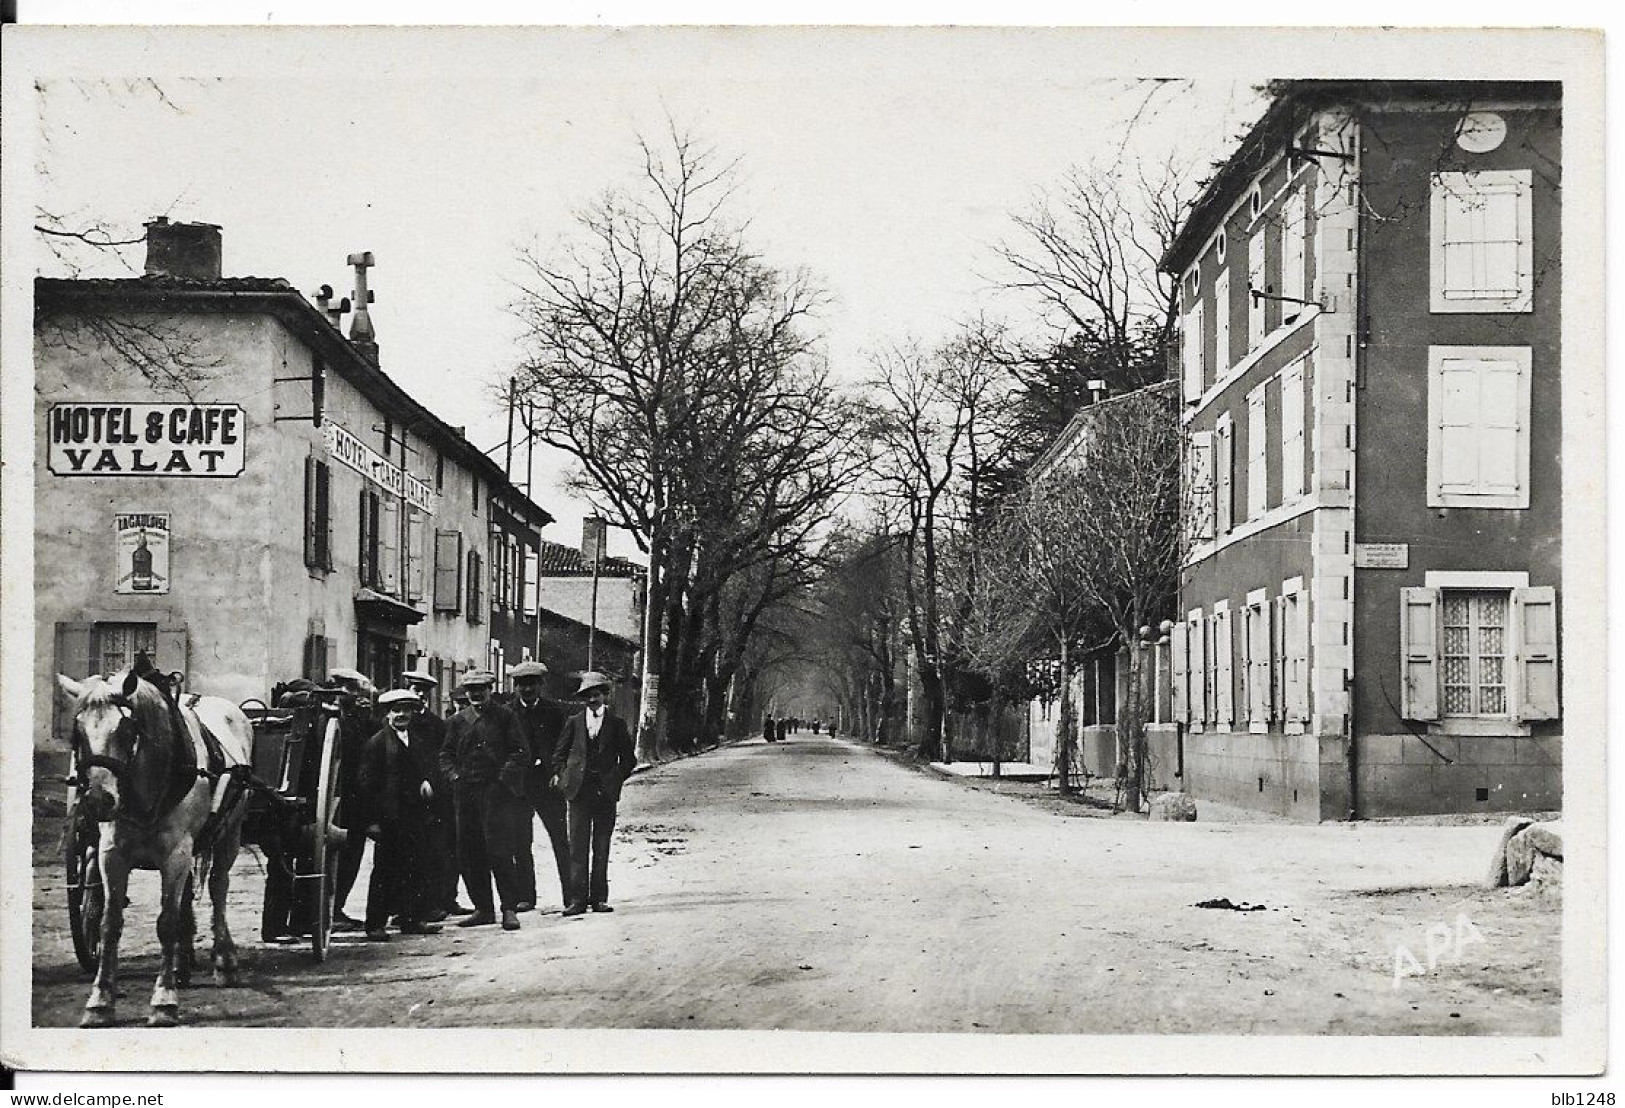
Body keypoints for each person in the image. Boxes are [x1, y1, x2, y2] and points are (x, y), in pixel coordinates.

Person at [438, 671, 530, 932]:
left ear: (491, 688)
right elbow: (445, 754)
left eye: (481, 688)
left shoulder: (505, 716)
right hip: (465, 795)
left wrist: (502, 779)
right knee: (469, 852)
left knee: (499, 850)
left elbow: (520, 751)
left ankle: (509, 909)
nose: (476, 694)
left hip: (495, 794)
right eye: (471, 689)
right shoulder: (458, 721)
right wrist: (455, 776)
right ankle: (483, 908)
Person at [357, 690, 444, 941]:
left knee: (416, 867)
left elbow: (429, 767)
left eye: (407, 710)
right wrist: (372, 821)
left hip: (416, 816)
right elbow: (366, 785)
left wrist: (428, 782)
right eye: (397, 710)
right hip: (389, 818)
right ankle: (375, 924)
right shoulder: (377, 743)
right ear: (387, 713)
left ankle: (412, 919)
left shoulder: (418, 739)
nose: (402, 715)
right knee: (385, 871)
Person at [551, 672, 637, 916]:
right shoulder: (574, 722)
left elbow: (629, 759)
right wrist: (564, 777)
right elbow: (558, 754)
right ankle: (577, 900)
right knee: (578, 847)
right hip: (578, 793)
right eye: (587, 695)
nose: (592, 699)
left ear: (605, 695)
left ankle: (599, 899)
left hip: (605, 794)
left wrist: (615, 778)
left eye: (596, 694)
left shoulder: (617, 724)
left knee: (601, 846)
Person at [400, 665, 472, 920]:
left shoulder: (435, 724)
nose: (418, 695)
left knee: (443, 849)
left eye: (423, 692)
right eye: (414, 689)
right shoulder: (397, 720)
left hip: (435, 795)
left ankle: (444, 900)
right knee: (408, 852)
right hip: (406, 796)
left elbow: (442, 756)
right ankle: (405, 907)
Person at [508, 660, 572, 912]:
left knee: (560, 839)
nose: (527, 689)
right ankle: (526, 896)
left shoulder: (554, 712)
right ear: (515, 687)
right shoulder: (508, 713)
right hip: (519, 786)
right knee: (520, 842)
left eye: (532, 684)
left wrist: (559, 773)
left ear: (541, 685)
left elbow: (564, 747)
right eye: (522, 684)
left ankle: (572, 894)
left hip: (548, 783)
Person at [328, 668, 378, 933]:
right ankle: (331, 910)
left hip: (355, 799)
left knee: (352, 855)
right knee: (343, 853)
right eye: (345, 689)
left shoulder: (357, 719)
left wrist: (367, 714)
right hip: (338, 797)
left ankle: (338, 908)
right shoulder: (332, 719)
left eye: (353, 689)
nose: (349, 695)